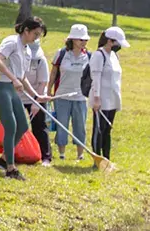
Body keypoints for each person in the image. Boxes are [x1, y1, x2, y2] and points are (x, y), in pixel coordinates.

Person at [0, 16, 52, 181]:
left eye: (39, 35)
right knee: (11, 127)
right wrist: (13, 78)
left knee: (22, 126)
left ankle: (3, 160)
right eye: (35, 34)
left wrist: (36, 95)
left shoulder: (27, 49)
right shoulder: (11, 42)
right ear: (26, 30)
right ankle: (10, 168)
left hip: (10, 88)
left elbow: (22, 76)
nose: (36, 38)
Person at [49, 24, 90, 162]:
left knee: (80, 126)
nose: (83, 42)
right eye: (81, 40)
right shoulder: (61, 54)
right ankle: (61, 154)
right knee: (62, 125)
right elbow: (54, 72)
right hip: (61, 96)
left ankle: (80, 154)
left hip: (81, 97)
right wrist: (49, 91)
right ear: (72, 39)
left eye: (85, 40)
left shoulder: (89, 56)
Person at [89, 26, 129, 163]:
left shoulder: (114, 55)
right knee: (99, 130)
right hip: (101, 99)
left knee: (107, 130)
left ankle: (107, 158)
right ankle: (97, 158)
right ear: (110, 41)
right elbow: (96, 78)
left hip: (113, 99)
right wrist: (96, 98)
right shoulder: (98, 55)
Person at [19, 38, 51, 166]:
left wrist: (36, 102)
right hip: (19, 96)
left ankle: (45, 157)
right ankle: (17, 153)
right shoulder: (18, 58)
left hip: (37, 96)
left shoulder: (40, 61)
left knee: (39, 127)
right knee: (17, 126)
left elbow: (43, 83)